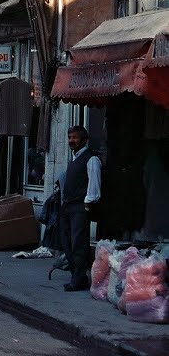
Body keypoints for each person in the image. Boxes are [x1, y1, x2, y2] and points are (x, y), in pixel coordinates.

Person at [59, 124, 102, 292]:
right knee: (67, 241)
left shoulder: (91, 159)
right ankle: (77, 276)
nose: (72, 141)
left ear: (84, 140)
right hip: (68, 206)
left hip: (79, 207)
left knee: (78, 243)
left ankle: (78, 278)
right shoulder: (74, 159)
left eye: (75, 137)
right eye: (70, 137)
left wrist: (88, 201)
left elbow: (94, 184)